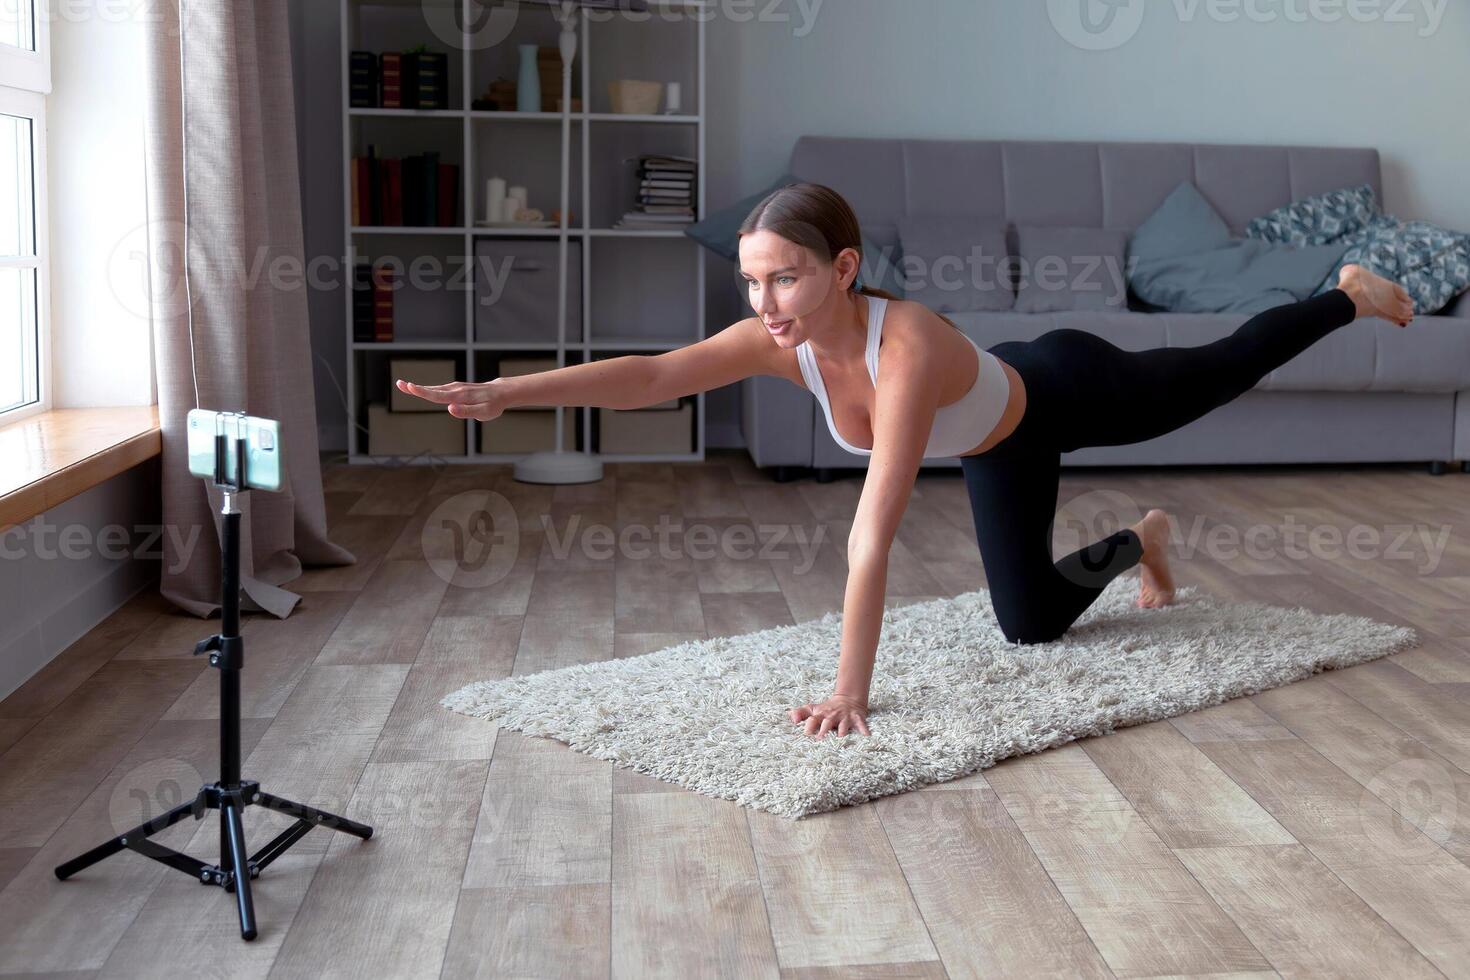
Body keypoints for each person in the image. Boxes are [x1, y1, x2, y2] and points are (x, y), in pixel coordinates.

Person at [398, 182, 1416, 742]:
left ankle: (1348, 294)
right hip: (997, 441)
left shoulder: (909, 342)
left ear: (842, 269)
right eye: (754, 283)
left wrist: (852, 692)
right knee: (1027, 624)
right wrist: (506, 393)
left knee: (1214, 371)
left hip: (1060, 386)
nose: (766, 307)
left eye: (786, 280)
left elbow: (871, 531)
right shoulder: (777, 337)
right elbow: (657, 375)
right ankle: (1140, 540)